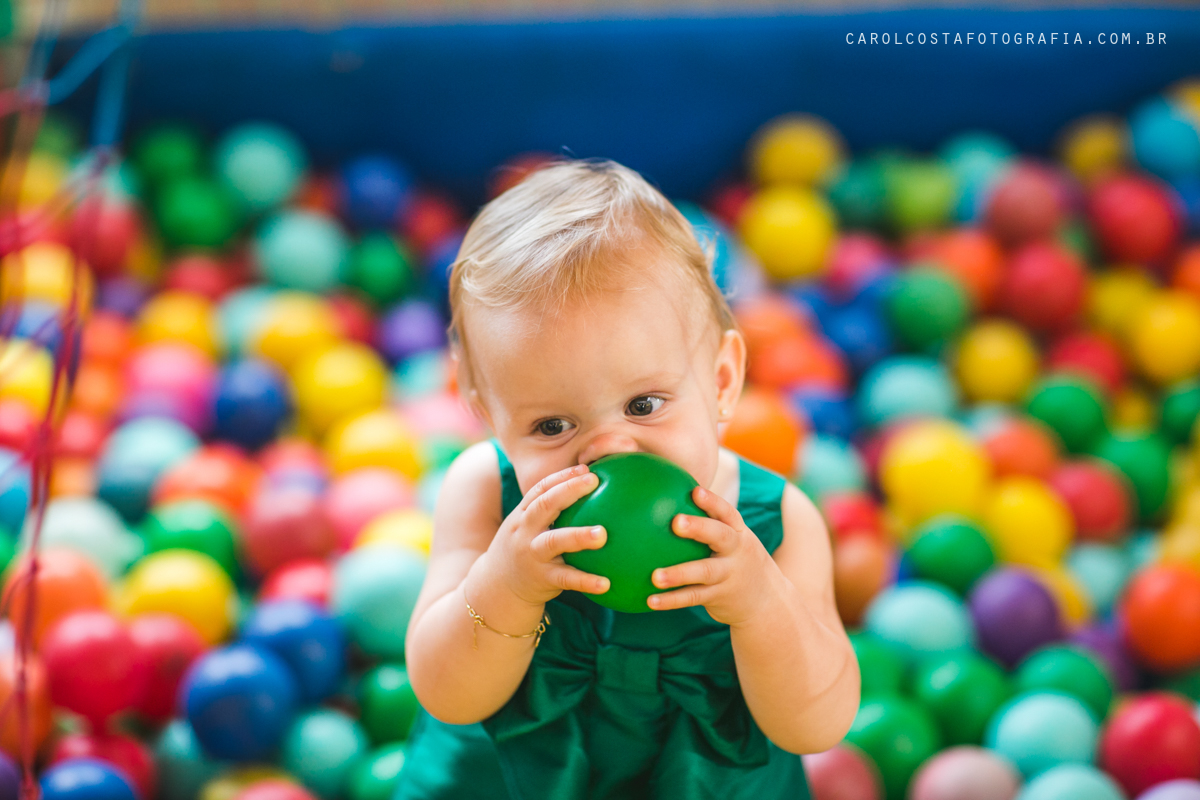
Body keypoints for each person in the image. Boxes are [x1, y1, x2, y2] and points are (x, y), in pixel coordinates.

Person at [397, 159, 859, 800]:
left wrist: (759, 603)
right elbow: (447, 694)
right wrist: (506, 586)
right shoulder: (485, 494)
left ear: (721, 382)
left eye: (645, 405)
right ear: (489, 416)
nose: (609, 450)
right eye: (553, 425)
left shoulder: (777, 525)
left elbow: (817, 724)